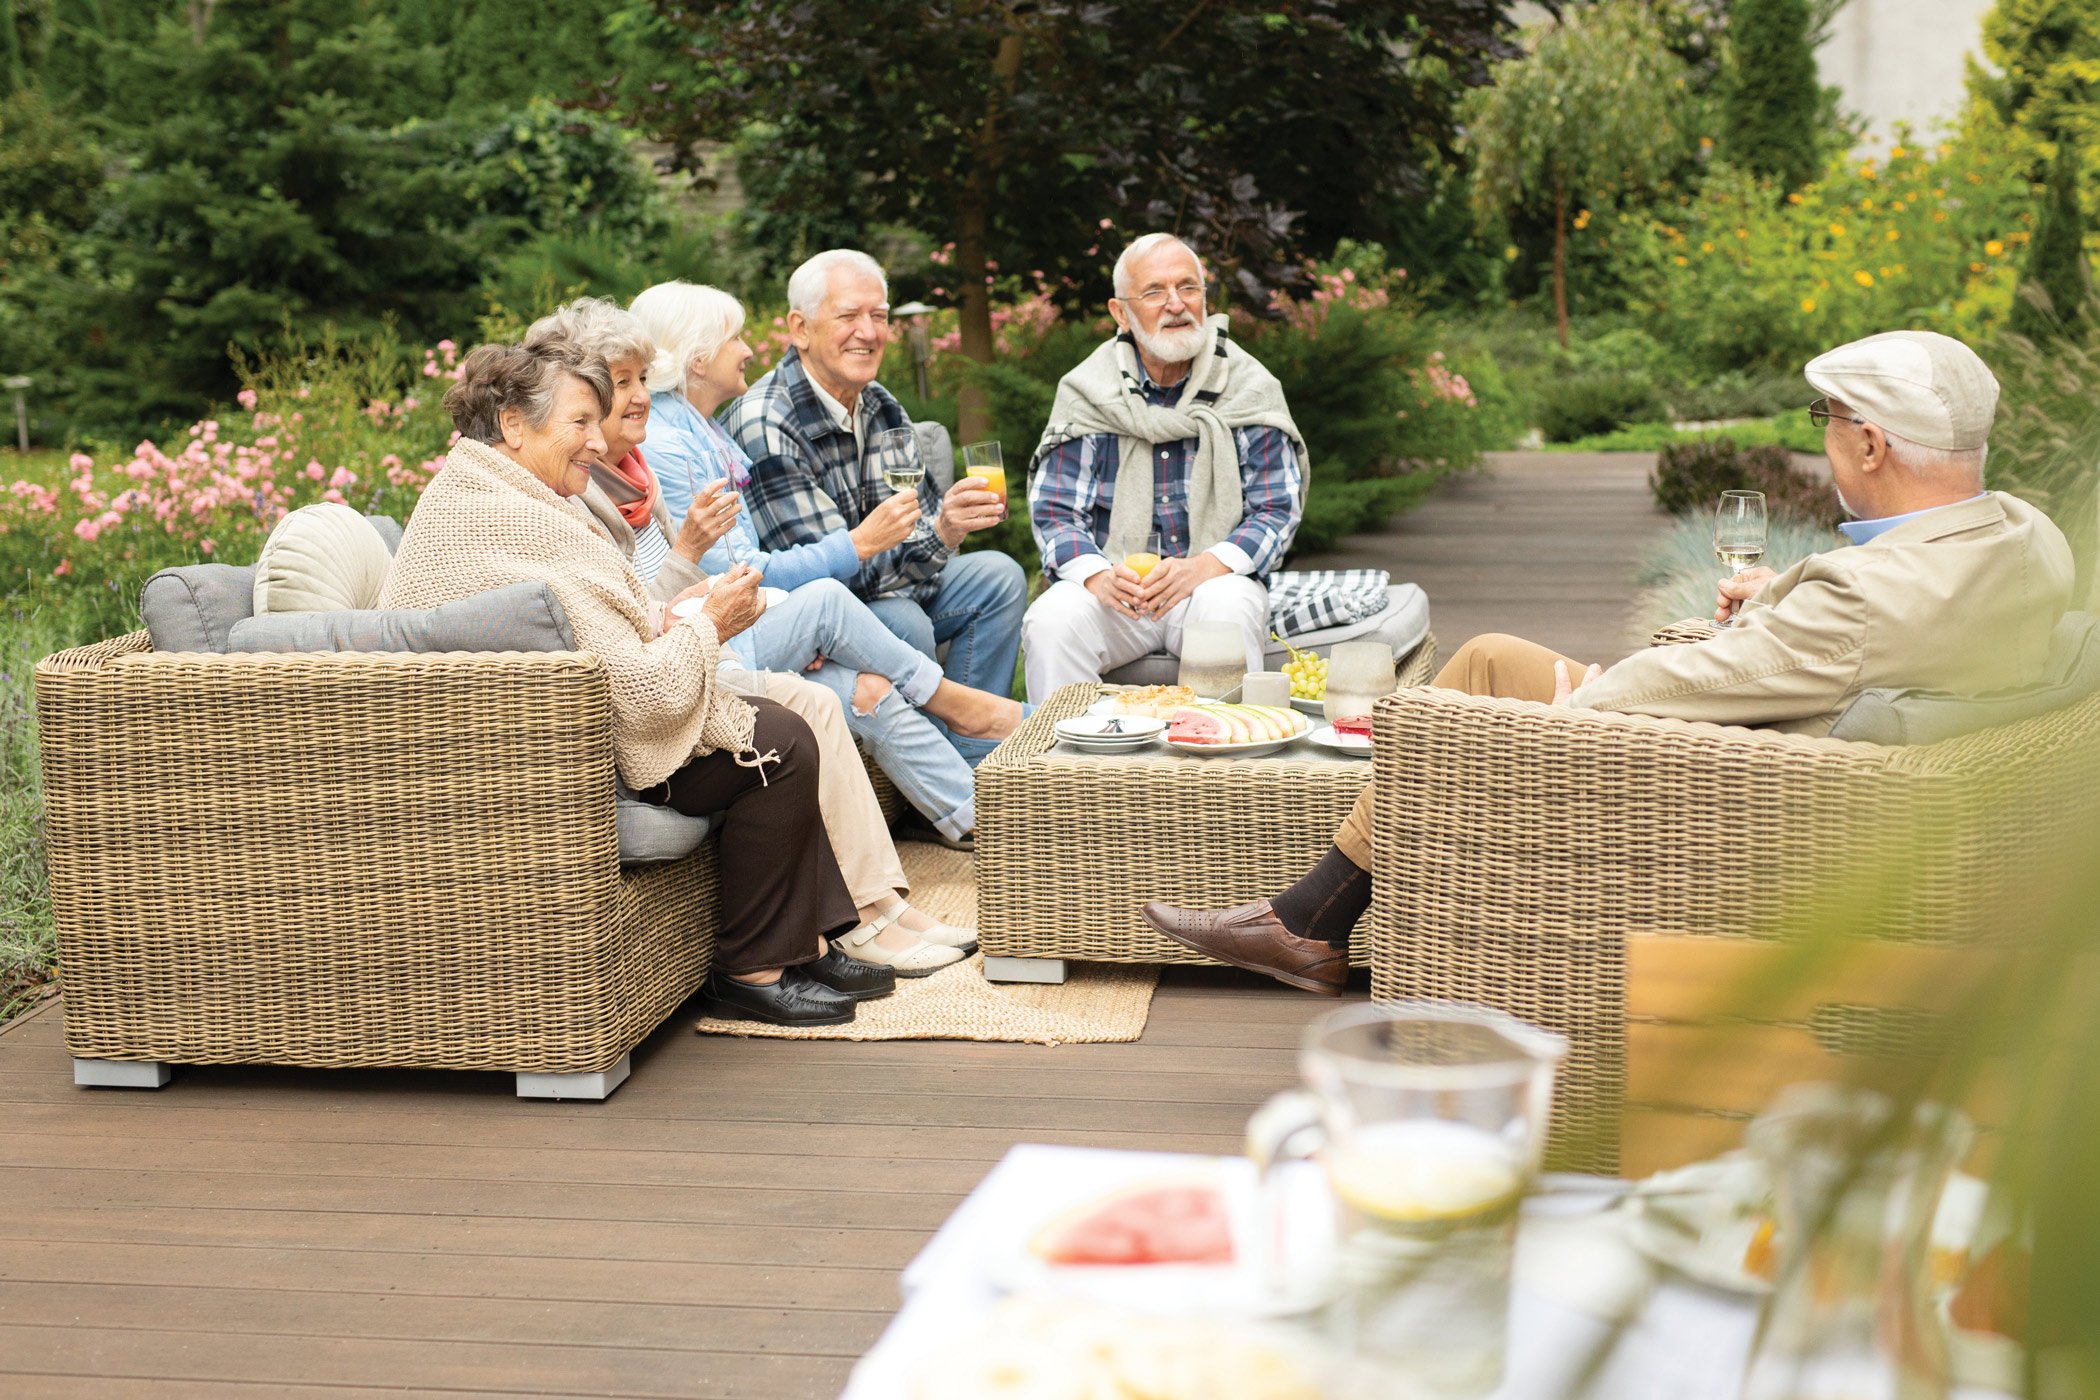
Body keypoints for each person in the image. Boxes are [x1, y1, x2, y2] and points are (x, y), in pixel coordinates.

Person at [1142, 329, 2076, 995]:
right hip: (1823, 750)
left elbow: (1711, 678)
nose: (1823, 435)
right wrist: (1786, 591)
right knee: (1490, 658)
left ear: (1869, 442)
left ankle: (1309, 923)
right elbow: (1895, 613)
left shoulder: (1857, 603)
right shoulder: (2031, 540)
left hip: (1731, 785)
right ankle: (1311, 921)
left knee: (1458, 704)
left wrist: (1567, 716)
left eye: (1827, 418)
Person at [379, 339, 892, 1027]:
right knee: (778, 742)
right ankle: (751, 967)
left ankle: (810, 938)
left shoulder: (501, 494)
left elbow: (594, 627)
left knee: (777, 720)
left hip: (558, 726)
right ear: (512, 426)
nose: (597, 442)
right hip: (549, 760)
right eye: (580, 422)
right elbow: (642, 696)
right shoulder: (500, 513)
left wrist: (676, 618)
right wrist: (707, 625)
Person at [522, 298, 971, 975]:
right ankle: (871, 904)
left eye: (643, 378)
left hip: (701, 650)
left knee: (843, 684)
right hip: (669, 685)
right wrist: (702, 570)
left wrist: (700, 577)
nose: (641, 395)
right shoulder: (581, 486)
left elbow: (659, 597)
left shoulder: (634, 473)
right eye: (622, 383)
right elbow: (633, 620)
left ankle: (880, 905)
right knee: (827, 676)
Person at [635, 278, 1018, 848]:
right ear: (696, 357)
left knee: (870, 688)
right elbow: (736, 575)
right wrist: (859, 546)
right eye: (735, 339)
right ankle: (958, 708)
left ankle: (979, 816)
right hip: (721, 638)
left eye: (879, 315)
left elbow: (911, 533)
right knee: (841, 606)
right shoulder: (683, 441)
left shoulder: (706, 430)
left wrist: (942, 531)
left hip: (764, 614)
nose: (748, 351)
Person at [724, 249, 1027, 763]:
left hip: (889, 581)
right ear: (799, 328)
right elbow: (833, 576)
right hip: (815, 611)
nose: (869, 332)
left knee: (999, 575)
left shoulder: (880, 402)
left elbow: (918, 525)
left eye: (880, 316)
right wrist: (939, 536)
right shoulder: (767, 423)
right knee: (904, 618)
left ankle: (978, 760)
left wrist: (942, 531)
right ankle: (946, 773)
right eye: (848, 316)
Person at [1018, 233, 1306, 703]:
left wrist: (1205, 567)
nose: (1176, 304)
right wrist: (1096, 576)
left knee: (1228, 608)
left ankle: (1220, 769)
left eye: (1188, 287)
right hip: (1116, 588)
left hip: (1210, 583)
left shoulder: (1249, 385)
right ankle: (1072, 770)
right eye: (1154, 292)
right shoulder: (1088, 391)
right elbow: (1054, 513)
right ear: (1120, 312)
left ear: (1205, 299)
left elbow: (1275, 510)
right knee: (1051, 620)